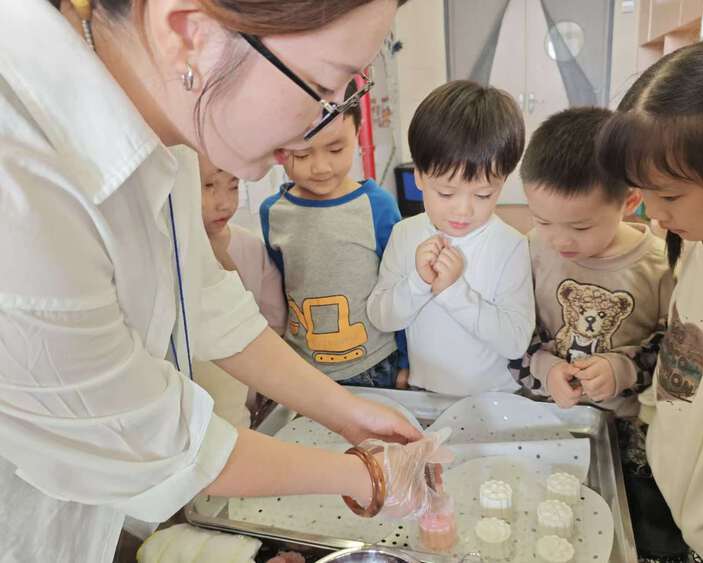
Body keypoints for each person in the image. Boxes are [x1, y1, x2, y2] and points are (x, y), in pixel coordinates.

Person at [0, 2, 444, 562]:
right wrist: (370, 478)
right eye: (321, 87)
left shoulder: (169, 118)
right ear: (191, 34)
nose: (318, 123)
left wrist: (351, 414)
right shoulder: (18, 176)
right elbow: (153, 443)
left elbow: (204, 295)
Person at [597, 37, 703, 562]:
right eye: (642, 191)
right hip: (669, 492)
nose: (652, 214)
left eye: (669, 195)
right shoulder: (698, 241)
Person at [367, 80, 535, 396]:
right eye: (446, 192)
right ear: (418, 176)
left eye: (483, 194)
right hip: (424, 392)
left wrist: (454, 292)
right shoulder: (405, 234)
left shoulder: (511, 245)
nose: (463, 210)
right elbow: (381, 317)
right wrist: (418, 281)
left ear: (503, 182)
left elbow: (515, 341)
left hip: (494, 398)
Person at [511, 107, 673, 417]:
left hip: (619, 422)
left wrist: (622, 370)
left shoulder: (658, 266)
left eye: (581, 227)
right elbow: (509, 329)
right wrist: (546, 368)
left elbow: (673, 350)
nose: (560, 241)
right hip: (540, 413)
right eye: (543, 221)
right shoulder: (530, 249)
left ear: (630, 201)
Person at [260, 80, 407, 388]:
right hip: (305, 368)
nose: (321, 167)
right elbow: (281, 293)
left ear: (357, 132)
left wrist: (407, 362)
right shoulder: (273, 213)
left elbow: (400, 288)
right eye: (302, 155)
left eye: (336, 149)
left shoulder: (377, 206)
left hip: (375, 364)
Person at [198, 155, 287, 427]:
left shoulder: (250, 246)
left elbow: (275, 324)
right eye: (209, 186)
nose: (225, 203)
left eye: (233, 186)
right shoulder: (168, 255)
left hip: (250, 406)